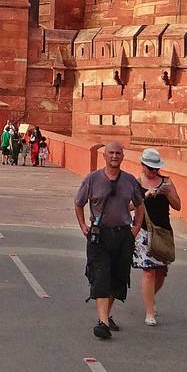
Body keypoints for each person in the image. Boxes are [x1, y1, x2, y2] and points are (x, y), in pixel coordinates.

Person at [75, 142, 144, 340]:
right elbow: (79, 204)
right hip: (99, 235)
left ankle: (105, 316)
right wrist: (82, 226)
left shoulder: (130, 181)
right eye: (111, 153)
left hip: (123, 235)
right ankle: (103, 322)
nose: (114, 156)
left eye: (118, 153)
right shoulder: (92, 179)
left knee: (117, 278)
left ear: (123, 157)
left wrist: (136, 228)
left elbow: (140, 205)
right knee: (101, 276)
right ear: (104, 156)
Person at [132, 148, 180, 326]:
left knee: (161, 272)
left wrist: (167, 194)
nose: (153, 171)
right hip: (144, 230)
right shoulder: (136, 183)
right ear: (143, 165)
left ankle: (150, 298)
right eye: (150, 168)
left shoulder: (167, 182)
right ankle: (149, 311)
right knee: (148, 271)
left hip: (162, 230)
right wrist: (144, 196)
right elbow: (129, 206)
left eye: (155, 168)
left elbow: (178, 205)